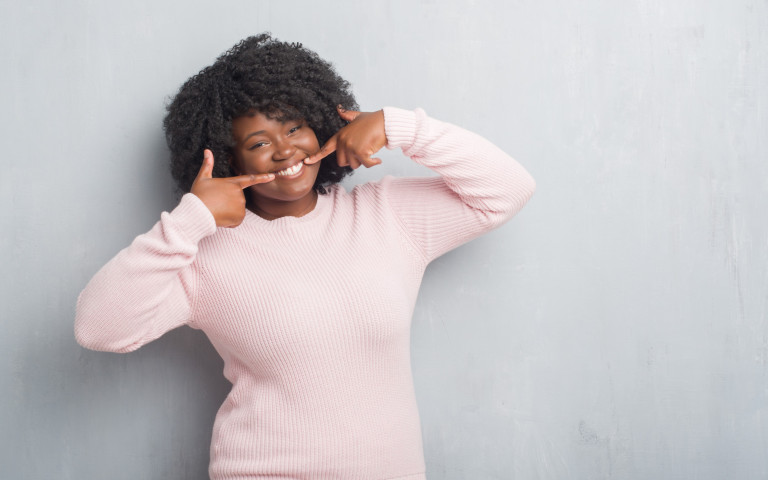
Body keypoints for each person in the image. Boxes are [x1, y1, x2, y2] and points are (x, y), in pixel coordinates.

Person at [75, 33, 536, 480]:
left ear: (318, 123)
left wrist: (401, 127)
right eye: (258, 143)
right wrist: (190, 220)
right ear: (230, 160)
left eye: (294, 127)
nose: (285, 150)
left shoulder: (386, 215)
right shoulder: (202, 254)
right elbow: (98, 328)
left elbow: (507, 190)